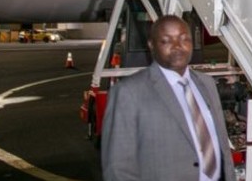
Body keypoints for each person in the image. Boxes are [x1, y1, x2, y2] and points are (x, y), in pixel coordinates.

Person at [101, 15, 236, 181]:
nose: (178, 46)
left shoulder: (207, 84)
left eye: (184, 39)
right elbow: (117, 168)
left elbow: (222, 145)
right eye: (166, 41)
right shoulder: (128, 92)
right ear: (151, 45)